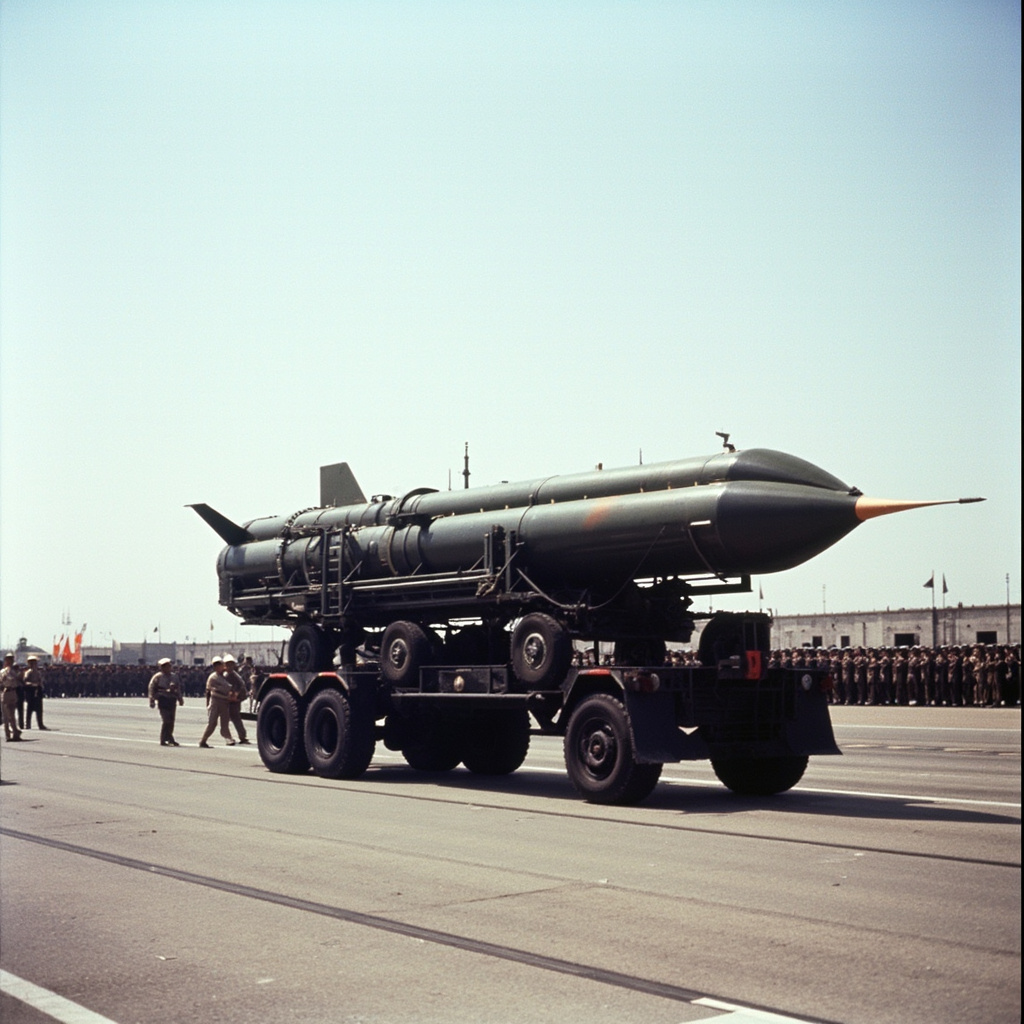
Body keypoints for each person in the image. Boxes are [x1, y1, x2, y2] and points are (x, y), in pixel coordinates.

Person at [199, 656, 236, 747]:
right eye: (216, 665)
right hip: (216, 702)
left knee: (225, 723)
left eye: (220, 665)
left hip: (224, 702)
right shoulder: (213, 677)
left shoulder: (223, 676)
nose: (219, 667)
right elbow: (221, 689)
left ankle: (228, 739)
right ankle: (203, 741)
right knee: (212, 723)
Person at [148, 657, 184, 746]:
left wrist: (180, 698)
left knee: (171, 720)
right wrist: (151, 699)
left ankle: (170, 738)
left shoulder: (174, 676)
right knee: (166, 720)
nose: (168, 668)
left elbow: (178, 688)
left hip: (171, 699)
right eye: (165, 666)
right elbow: (151, 688)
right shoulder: (158, 677)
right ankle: (163, 739)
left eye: (169, 666)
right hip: (162, 699)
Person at [222, 655, 251, 745]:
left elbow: (241, 685)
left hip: (234, 700)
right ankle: (229, 737)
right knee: (227, 719)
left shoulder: (234, 675)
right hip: (227, 700)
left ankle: (242, 736)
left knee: (236, 718)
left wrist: (235, 695)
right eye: (227, 665)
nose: (229, 667)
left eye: (231, 665)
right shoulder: (225, 675)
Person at [22, 654, 48, 729]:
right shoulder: (28, 672)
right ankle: (28, 724)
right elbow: (25, 682)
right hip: (31, 691)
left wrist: (40, 685)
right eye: (33, 663)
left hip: (38, 691)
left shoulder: (38, 672)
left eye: (35, 663)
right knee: (29, 709)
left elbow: (40, 681)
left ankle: (40, 724)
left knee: (39, 709)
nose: (35, 664)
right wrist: (32, 684)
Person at [1, 653, 23, 742]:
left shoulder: (15, 671)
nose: (10, 660)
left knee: (12, 715)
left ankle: (15, 733)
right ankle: (8, 735)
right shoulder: (3, 671)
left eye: (12, 659)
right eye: (9, 659)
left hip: (13, 692)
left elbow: (18, 682)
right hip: (6, 693)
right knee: (6, 716)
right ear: (6, 660)